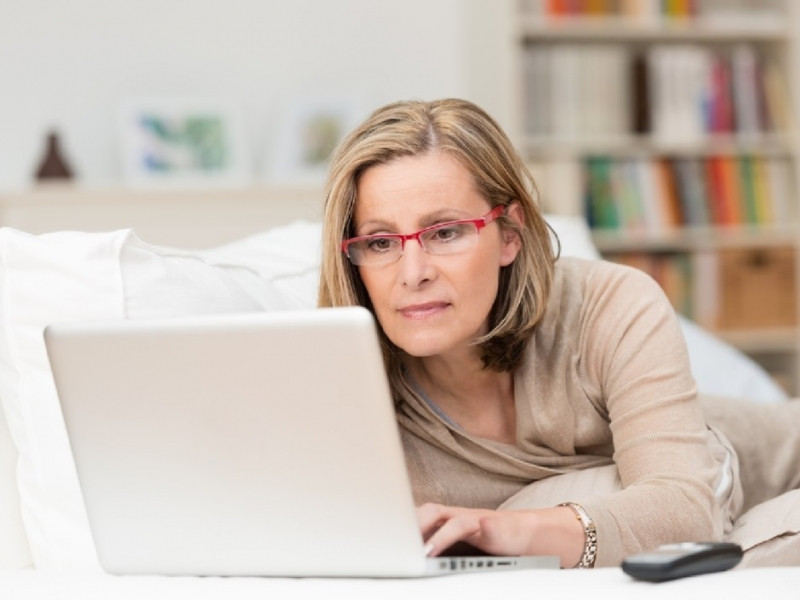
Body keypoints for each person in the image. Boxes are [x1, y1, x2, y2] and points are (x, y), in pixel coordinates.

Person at [317, 98, 800, 568]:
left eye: (445, 232)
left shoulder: (608, 304)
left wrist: (512, 530)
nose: (413, 273)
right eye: (380, 242)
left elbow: (683, 509)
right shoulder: (353, 403)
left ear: (510, 235)